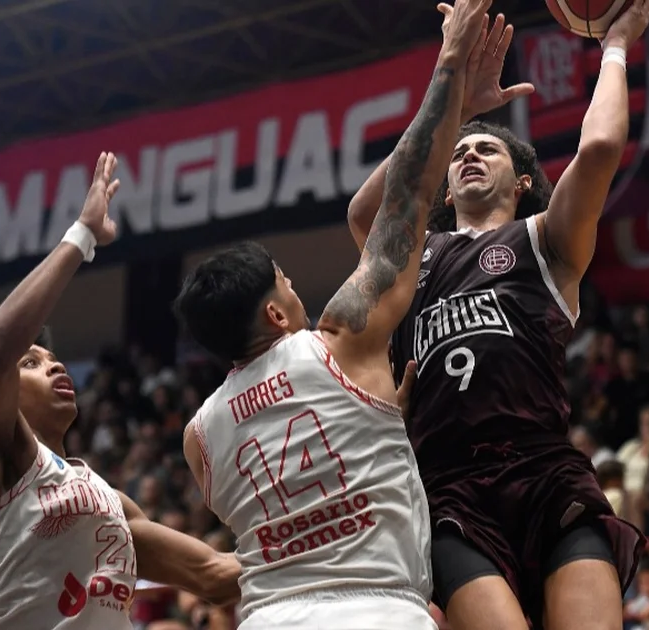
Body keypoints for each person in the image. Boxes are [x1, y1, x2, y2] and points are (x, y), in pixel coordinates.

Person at [173, 2, 487, 627]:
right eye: (286, 282)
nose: (297, 289)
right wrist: (450, 64)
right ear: (275, 312)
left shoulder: (198, 439)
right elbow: (411, 198)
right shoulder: (341, 339)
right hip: (377, 612)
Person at [345, 2, 649, 628]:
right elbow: (364, 213)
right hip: (450, 486)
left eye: (487, 149)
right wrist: (451, 110)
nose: (468, 155)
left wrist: (617, 45)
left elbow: (597, 148)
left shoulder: (545, 241)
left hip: (545, 470)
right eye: (459, 152)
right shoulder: (414, 259)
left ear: (520, 184)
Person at [0, 152, 241, 630]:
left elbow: (213, 574)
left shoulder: (110, 504)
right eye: (32, 362)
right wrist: (82, 234)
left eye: (52, 359)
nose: (54, 364)